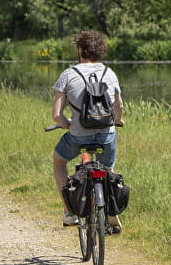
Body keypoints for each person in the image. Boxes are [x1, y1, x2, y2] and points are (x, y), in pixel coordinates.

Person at [51, 29, 124, 231]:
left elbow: (56, 115)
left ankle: (69, 210)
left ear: (80, 49)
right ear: (99, 50)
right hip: (106, 135)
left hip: (77, 136)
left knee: (59, 161)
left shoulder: (68, 74)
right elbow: (119, 106)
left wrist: (67, 124)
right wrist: (118, 120)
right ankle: (110, 210)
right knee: (108, 169)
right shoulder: (110, 73)